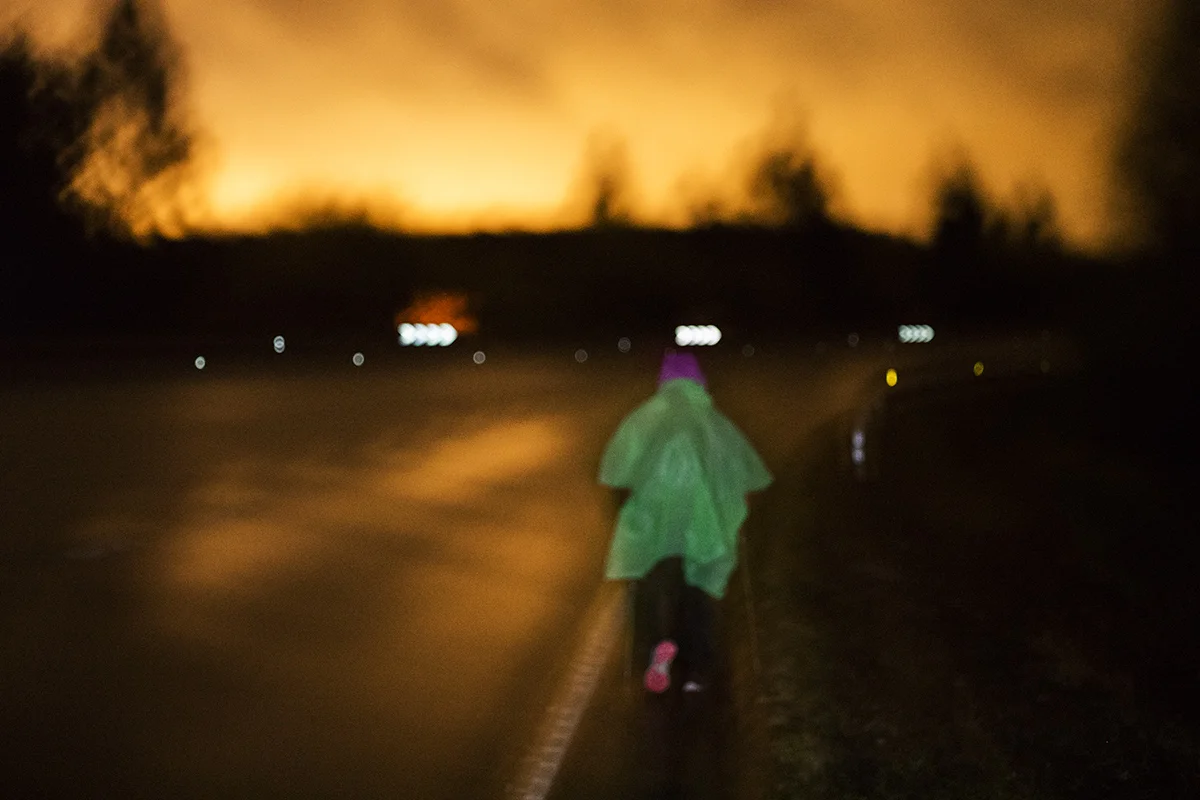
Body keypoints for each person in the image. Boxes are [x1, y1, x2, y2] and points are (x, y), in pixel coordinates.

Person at [598, 349, 772, 693]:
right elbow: (746, 474)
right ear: (698, 381)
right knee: (697, 593)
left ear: (663, 380)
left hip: (653, 527)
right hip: (702, 527)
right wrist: (735, 514)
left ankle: (654, 652)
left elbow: (614, 473)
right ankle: (697, 671)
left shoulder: (642, 418)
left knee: (650, 589)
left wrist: (624, 514)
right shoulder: (713, 421)